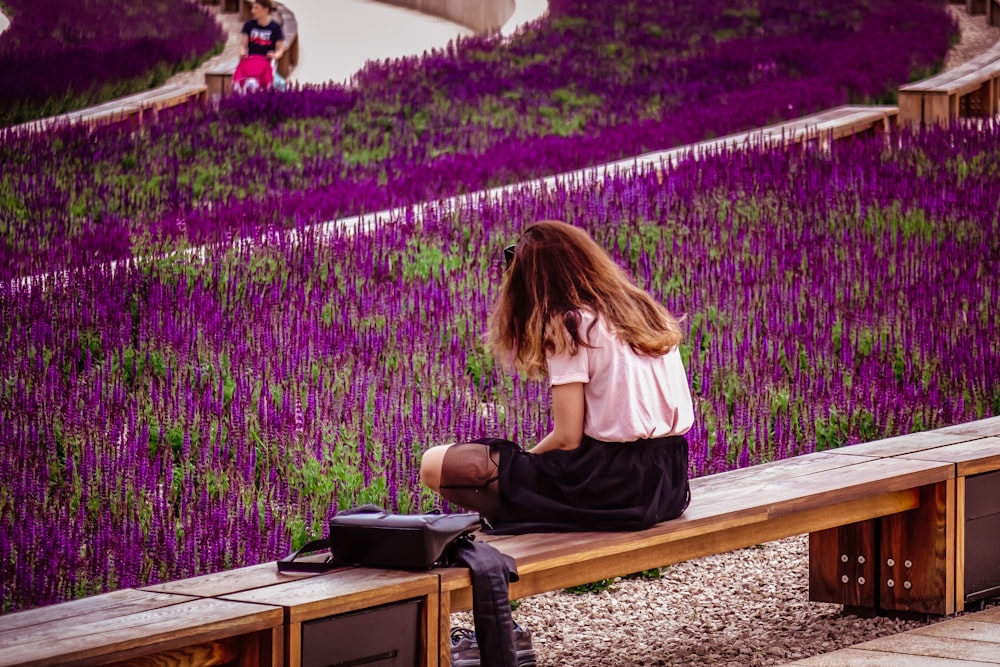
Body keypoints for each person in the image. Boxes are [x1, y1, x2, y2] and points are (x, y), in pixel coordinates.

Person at [420, 219, 693, 534]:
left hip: (612, 486)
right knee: (510, 471)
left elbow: (567, 438)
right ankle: (526, 509)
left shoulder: (573, 323)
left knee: (435, 463)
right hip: (670, 484)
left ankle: (523, 512)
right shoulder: (644, 310)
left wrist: (522, 463)